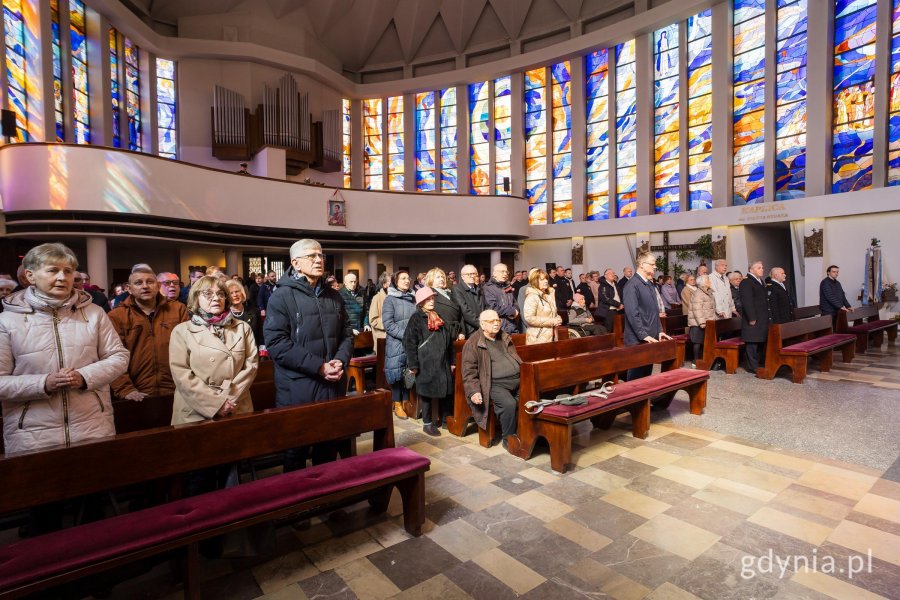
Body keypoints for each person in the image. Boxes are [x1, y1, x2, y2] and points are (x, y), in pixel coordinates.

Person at [0, 243, 129, 456]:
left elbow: (118, 356)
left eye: (68, 271)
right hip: (32, 437)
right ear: (30, 276)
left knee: (94, 484)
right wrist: (44, 383)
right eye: (53, 270)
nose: (62, 277)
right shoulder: (6, 321)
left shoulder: (94, 313)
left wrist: (84, 376)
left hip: (93, 427)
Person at [263, 239, 353, 469]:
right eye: (311, 256)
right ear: (295, 263)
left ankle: (326, 502)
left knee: (328, 449)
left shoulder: (333, 296)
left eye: (321, 255)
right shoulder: (281, 297)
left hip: (331, 385)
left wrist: (340, 360)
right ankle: (299, 504)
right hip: (297, 388)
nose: (318, 260)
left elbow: (347, 334)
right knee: (296, 452)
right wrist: (319, 367)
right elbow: (277, 343)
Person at [169, 276, 258, 425]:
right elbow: (181, 374)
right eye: (208, 294)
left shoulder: (242, 328)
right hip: (197, 409)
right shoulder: (182, 331)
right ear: (196, 298)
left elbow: (251, 366)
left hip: (235, 404)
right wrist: (215, 404)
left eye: (221, 293)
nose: (216, 298)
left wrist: (227, 399)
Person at [108, 266, 190, 401]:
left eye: (150, 282)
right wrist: (125, 389)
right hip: (135, 394)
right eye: (139, 283)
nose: (145, 286)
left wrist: (188, 384)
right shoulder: (117, 316)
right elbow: (111, 356)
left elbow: (190, 350)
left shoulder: (178, 309)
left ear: (158, 285)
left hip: (177, 390)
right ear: (129, 288)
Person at [461, 309, 522, 449]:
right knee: (509, 404)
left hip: (517, 379)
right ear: (482, 324)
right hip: (494, 384)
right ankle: (509, 438)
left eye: (498, 320)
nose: (496, 324)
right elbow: (468, 372)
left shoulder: (504, 336)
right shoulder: (473, 343)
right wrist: (474, 391)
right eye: (491, 321)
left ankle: (525, 432)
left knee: (530, 398)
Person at [404, 287, 456, 436]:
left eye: (432, 298)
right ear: (420, 303)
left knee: (446, 391)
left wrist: (452, 361)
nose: (431, 301)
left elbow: (449, 340)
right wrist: (413, 365)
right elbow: (409, 342)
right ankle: (427, 423)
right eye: (427, 299)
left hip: (442, 361)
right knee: (426, 393)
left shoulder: (437, 316)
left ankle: (446, 420)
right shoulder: (416, 318)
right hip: (425, 362)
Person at [622, 252, 671, 381]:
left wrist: (659, 330)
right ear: (643, 265)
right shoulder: (632, 285)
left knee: (645, 377)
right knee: (635, 379)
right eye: (652, 264)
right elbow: (632, 314)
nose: (655, 267)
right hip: (637, 339)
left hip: (650, 337)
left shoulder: (649, 284)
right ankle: (632, 401)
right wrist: (643, 335)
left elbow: (654, 311)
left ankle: (643, 401)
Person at [382, 270, 416, 419]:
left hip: (411, 342)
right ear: (395, 281)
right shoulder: (390, 299)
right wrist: (406, 336)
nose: (407, 281)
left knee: (409, 371)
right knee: (396, 372)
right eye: (403, 278)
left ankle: (406, 400)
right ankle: (396, 403)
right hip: (397, 342)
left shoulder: (413, 298)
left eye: (408, 278)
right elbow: (388, 324)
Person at [740, 261, 770, 373]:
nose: (762, 269)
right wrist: (751, 317)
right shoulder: (746, 282)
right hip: (753, 317)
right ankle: (752, 366)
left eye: (762, 267)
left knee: (759, 340)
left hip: (761, 316)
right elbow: (747, 301)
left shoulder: (760, 281)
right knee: (752, 341)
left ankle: (757, 363)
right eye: (759, 268)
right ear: (751, 269)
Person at [425, 268, 464, 342]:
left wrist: (462, 332)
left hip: (456, 334)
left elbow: (460, 314)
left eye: (442, 277)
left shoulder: (450, 293)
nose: (441, 279)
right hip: (440, 334)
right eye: (438, 277)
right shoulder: (428, 294)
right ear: (430, 279)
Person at [523, 269, 561, 344]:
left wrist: (557, 318)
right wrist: (552, 321)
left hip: (551, 335)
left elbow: (551, 313)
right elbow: (529, 318)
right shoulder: (532, 296)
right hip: (538, 337)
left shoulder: (547, 296)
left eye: (546, 278)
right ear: (535, 281)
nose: (546, 281)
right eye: (542, 279)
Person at [687, 274, 717, 368]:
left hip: (708, 321)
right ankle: (695, 361)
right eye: (708, 280)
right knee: (697, 341)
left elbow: (712, 307)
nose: (710, 282)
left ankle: (705, 359)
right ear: (703, 282)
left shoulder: (708, 292)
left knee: (705, 341)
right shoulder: (698, 293)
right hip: (698, 323)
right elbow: (697, 309)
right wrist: (702, 322)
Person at [483, 263, 520, 335]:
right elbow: (492, 308)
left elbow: (515, 303)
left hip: (512, 327)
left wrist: (516, 310)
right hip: (498, 328)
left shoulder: (507, 286)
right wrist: (512, 311)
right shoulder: (488, 288)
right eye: (502, 271)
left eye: (506, 272)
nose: (505, 274)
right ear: (494, 273)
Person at [225, 279, 263, 347]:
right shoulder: (223, 315)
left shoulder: (255, 312)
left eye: (237, 291)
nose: (235, 295)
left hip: (253, 351)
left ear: (242, 293)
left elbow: (261, 335)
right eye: (231, 293)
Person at [452, 264, 484, 338]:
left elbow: (484, 306)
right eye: (469, 274)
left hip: (482, 327)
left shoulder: (479, 288)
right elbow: (465, 311)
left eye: (474, 274)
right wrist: (481, 324)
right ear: (462, 276)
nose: (472, 276)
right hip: (469, 329)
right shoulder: (457, 289)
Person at [368, 271, 392, 353]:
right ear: (384, 284)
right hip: (383, 340)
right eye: (391, 282)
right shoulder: (377, 298)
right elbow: (373, 320)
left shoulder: (395, 298)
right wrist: (390, 324)